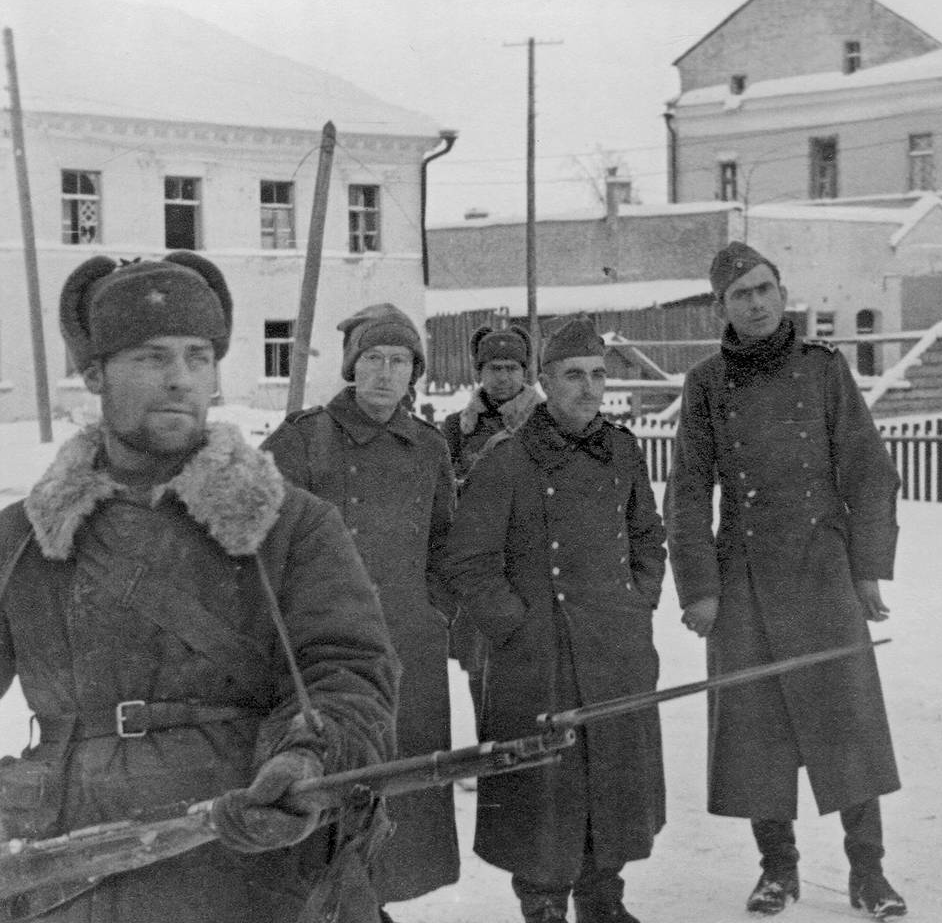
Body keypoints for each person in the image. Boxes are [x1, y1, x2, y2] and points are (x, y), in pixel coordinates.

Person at [0, 252, 398, 922]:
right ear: (94, 374)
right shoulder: (22, 539)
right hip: (70, 866)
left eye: (197, 356)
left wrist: (306, 759)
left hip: (237, 851)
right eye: (150, 357)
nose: (179, 379)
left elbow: (348, 672)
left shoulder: (289, 522)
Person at [666, 242, 906, 920]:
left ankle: (869, 873)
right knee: (755, 729)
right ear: (722, 307)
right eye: (740, 294)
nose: (757, 303)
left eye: (765, 288)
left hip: (823, 570)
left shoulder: (825, 371)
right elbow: (687, 489)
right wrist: (700, 587)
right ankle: (777, 868)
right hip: (742, 577)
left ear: (782, 292)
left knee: (848, 722)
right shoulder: (706, 384)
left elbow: (869, 471)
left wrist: (866, 569)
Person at [440, 317, 666, 923]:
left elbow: (648, 535)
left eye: (597, 375)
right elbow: (468, 560)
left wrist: (638, 600)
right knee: (545, 791)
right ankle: (542, 906)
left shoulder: (622, 448)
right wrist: (517, 629)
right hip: (538, 658)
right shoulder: (507, 460)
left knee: (611, 778)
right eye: (573, 376)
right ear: (544, 381)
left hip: (615, 650)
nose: (588, 388)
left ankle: (603, 900)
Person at [262, 302, 459, 919]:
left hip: (409, 652)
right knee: (330, 785)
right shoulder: (305, 438)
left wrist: (431, 611)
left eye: (399, 361)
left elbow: (445, 546)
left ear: (414, 372)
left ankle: (379, 906)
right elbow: (259, 535)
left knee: (401, 791)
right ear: (352, 366)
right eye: (373, 358)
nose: (385, 373)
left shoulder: (429, 447)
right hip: (325, 656)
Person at [441, 323, 541, 486]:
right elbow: (442, 489)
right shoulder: (456, 427)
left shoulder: (546, 421)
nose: (503, 377)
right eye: (495, 368)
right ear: (479, 373)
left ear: (524, 373)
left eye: (511, 368)